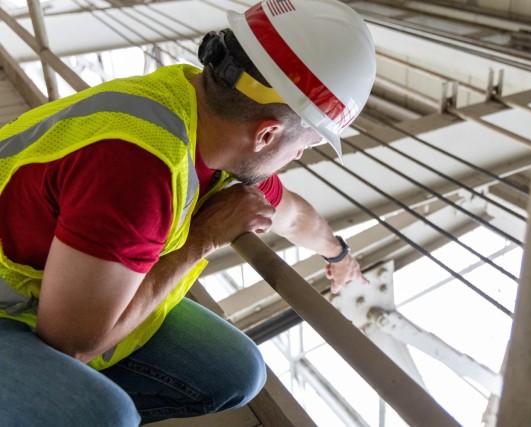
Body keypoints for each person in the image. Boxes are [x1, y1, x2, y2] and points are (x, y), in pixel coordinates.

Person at [0, 0, 376, 425]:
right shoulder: (140, 171)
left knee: (235, 371)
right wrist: (203, 238)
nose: (296, 157)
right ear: (267, 135)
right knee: (104, 416)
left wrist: (339, 256)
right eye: (303, 147)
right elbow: (72, 342)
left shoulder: (198, 116)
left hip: (45, 288)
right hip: (14, 310)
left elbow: (291, 215)